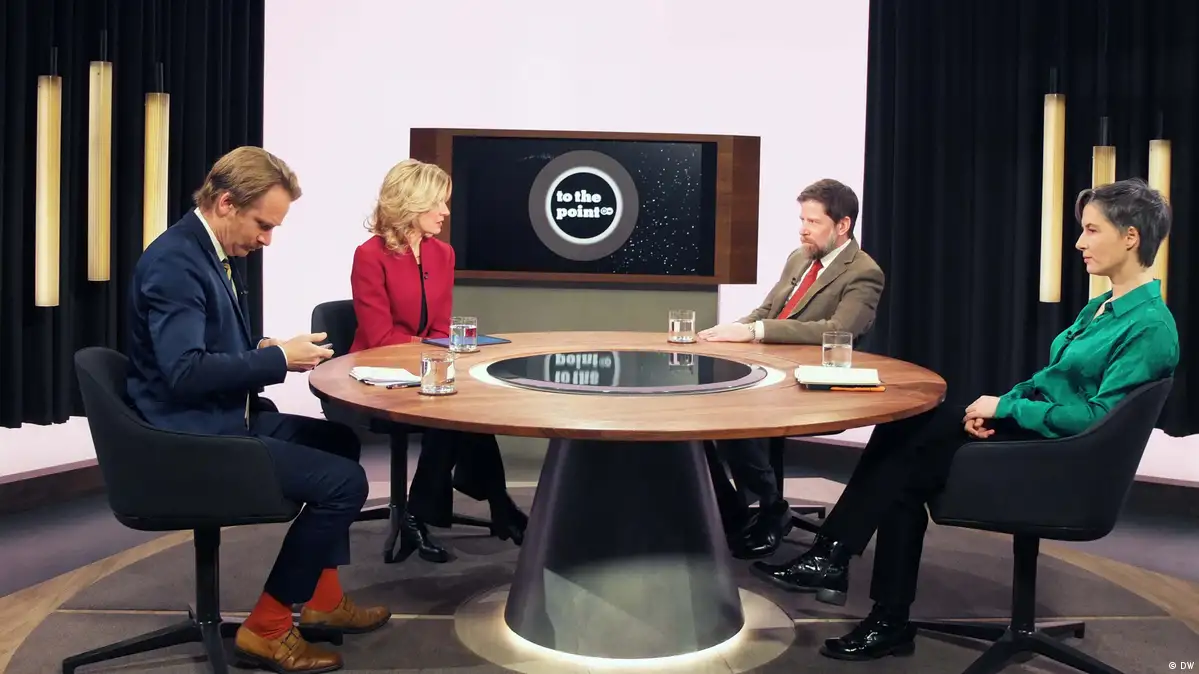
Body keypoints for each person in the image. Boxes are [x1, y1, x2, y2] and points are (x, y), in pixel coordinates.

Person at [751, 178, 1179, 662]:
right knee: (904, 436)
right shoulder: (1103, 307)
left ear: (1130, 237)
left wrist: (1008, 409)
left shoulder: (1149, 326)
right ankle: (867, 596)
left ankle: (840, 564)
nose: (1079, 242)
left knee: (904, 456)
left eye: (1092, 230)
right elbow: (1051, 379)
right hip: (1042, 433)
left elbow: (1096, 419)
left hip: (1064, 462)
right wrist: (998, 403)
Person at [126, 146, 388, 672]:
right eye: (263, 225)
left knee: (339, 442)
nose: (267, 239)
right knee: (344, 484)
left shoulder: (205, 251)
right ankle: (266, 628)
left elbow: (204, 346)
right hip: (192, 437)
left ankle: (323, 600)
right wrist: (276, 360)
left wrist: (266, 347)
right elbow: (184, 372)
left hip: (224, 416)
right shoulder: (175, 264)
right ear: (226, 203)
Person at [697, 179, 885, 560]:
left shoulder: (864, 272)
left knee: (733, 416)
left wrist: (755, 332)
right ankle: (731, 511)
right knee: (700, 414)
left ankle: (771, 508)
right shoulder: (799, 258)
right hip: (768, 371)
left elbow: (839, 331)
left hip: (812, 382)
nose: (803, 229)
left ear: (843, 225)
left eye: (813, 222)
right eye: (802, 220)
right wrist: (726, 332)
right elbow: (766, 312)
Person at [349, 158, 527, 560]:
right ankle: (496, 505)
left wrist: (441, 350)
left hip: (426, 369)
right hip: (378, 375)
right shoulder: (370, 256)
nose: (445, 212)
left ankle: (421, 515)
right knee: (448, 414)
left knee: (466, 408)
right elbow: (380, 339)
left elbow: (442, 329)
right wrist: (432, 349)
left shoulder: (442, 254)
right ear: (411, 203)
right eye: (438, 203)